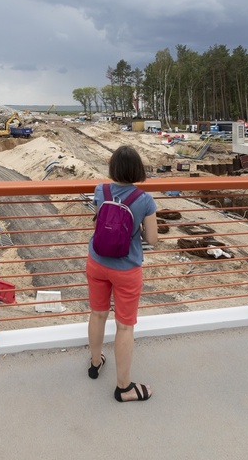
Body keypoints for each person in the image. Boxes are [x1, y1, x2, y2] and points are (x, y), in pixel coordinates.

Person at [86, 145, 158, 402]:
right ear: (137, 169)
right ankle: (124, 387)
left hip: (96, 261)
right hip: (126, 269)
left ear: (113, 167)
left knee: (97, 313)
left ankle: (95, 364)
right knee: (124, 327)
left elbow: (97, 222)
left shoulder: (100, 190)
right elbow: (153, 238)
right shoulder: (145, 199)